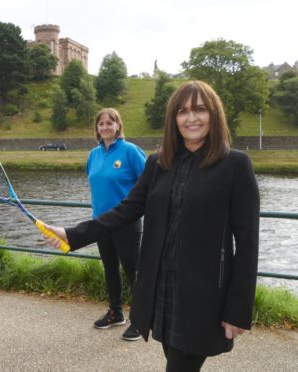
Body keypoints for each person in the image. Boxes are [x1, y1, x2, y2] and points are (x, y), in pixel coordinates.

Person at [44, 80, 259, 372]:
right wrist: (72, 234)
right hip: (161, 285)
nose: (191, 118)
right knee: (173, 357)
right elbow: (127, 209)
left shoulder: (235, 165)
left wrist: (238, 308)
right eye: (182, 111)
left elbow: (247, 244)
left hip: (204, 293)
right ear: (174, 119)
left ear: (214, 114)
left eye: (199, 109)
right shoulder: (160, 163)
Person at [87, 108, 146, 341]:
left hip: (126, 222)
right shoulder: (94, 154)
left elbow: (147, 182)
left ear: (118, 126)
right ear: (97, 128)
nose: (105, 127)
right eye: (100, 124)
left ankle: (141, 321)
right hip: (101, 222)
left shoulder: (130, 151)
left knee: (133, 271)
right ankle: (116, 313)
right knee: (110, 268)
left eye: (109, 123)